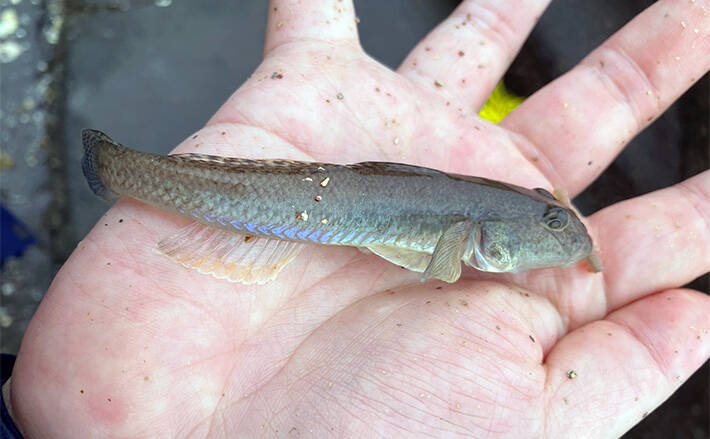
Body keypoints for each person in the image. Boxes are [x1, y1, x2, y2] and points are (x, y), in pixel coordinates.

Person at [2, 0, 709, 437]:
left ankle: (120, 169)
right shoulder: (468, 236)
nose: (558, 236)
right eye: (547, 230)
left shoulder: (482, 219)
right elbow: (441, 266)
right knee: (239, 203)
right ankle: (119, 169)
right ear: (485, 240)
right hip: (310, 203)